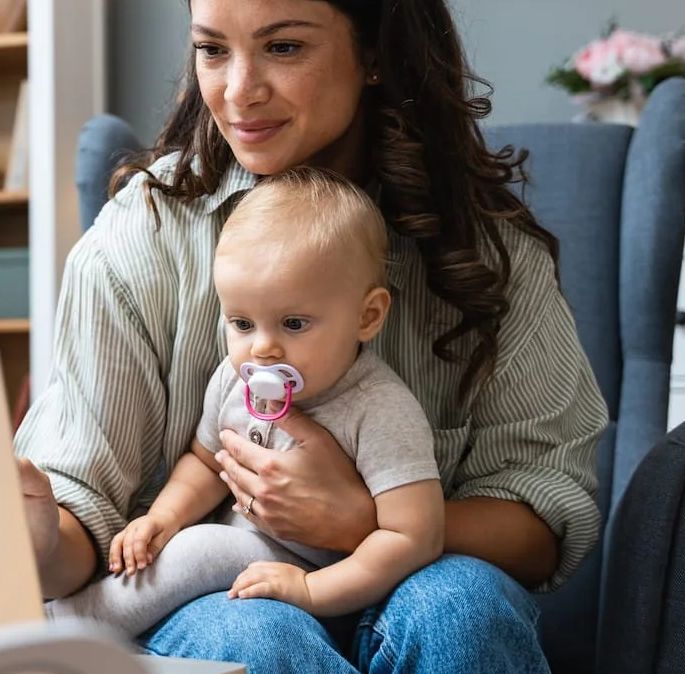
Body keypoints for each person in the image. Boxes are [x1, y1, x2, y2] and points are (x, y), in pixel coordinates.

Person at [12, 0, 607, 674]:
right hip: (223, 592)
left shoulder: (487, 247)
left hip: (424, 582)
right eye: (212, 51)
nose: (239, 92)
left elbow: (545, 513)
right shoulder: (141, 234)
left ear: (373, 51)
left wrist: (364, 521)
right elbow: (83, 520)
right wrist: (32, 522)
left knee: (463, 612)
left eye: (283, 47)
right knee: (255, 634)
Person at [47, 167, 444, 638]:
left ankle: (76, 629)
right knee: (185, 545)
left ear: (367, 315)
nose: (262, 349)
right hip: (248, 569)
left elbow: (414, 536)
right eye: (241, 323)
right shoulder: (234, 380)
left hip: (329, 578)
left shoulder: (380, 409)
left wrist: (313, 589)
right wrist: (162, 518)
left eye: (294, 324)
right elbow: (206, 461)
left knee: (202, 550)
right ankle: (91, 629)